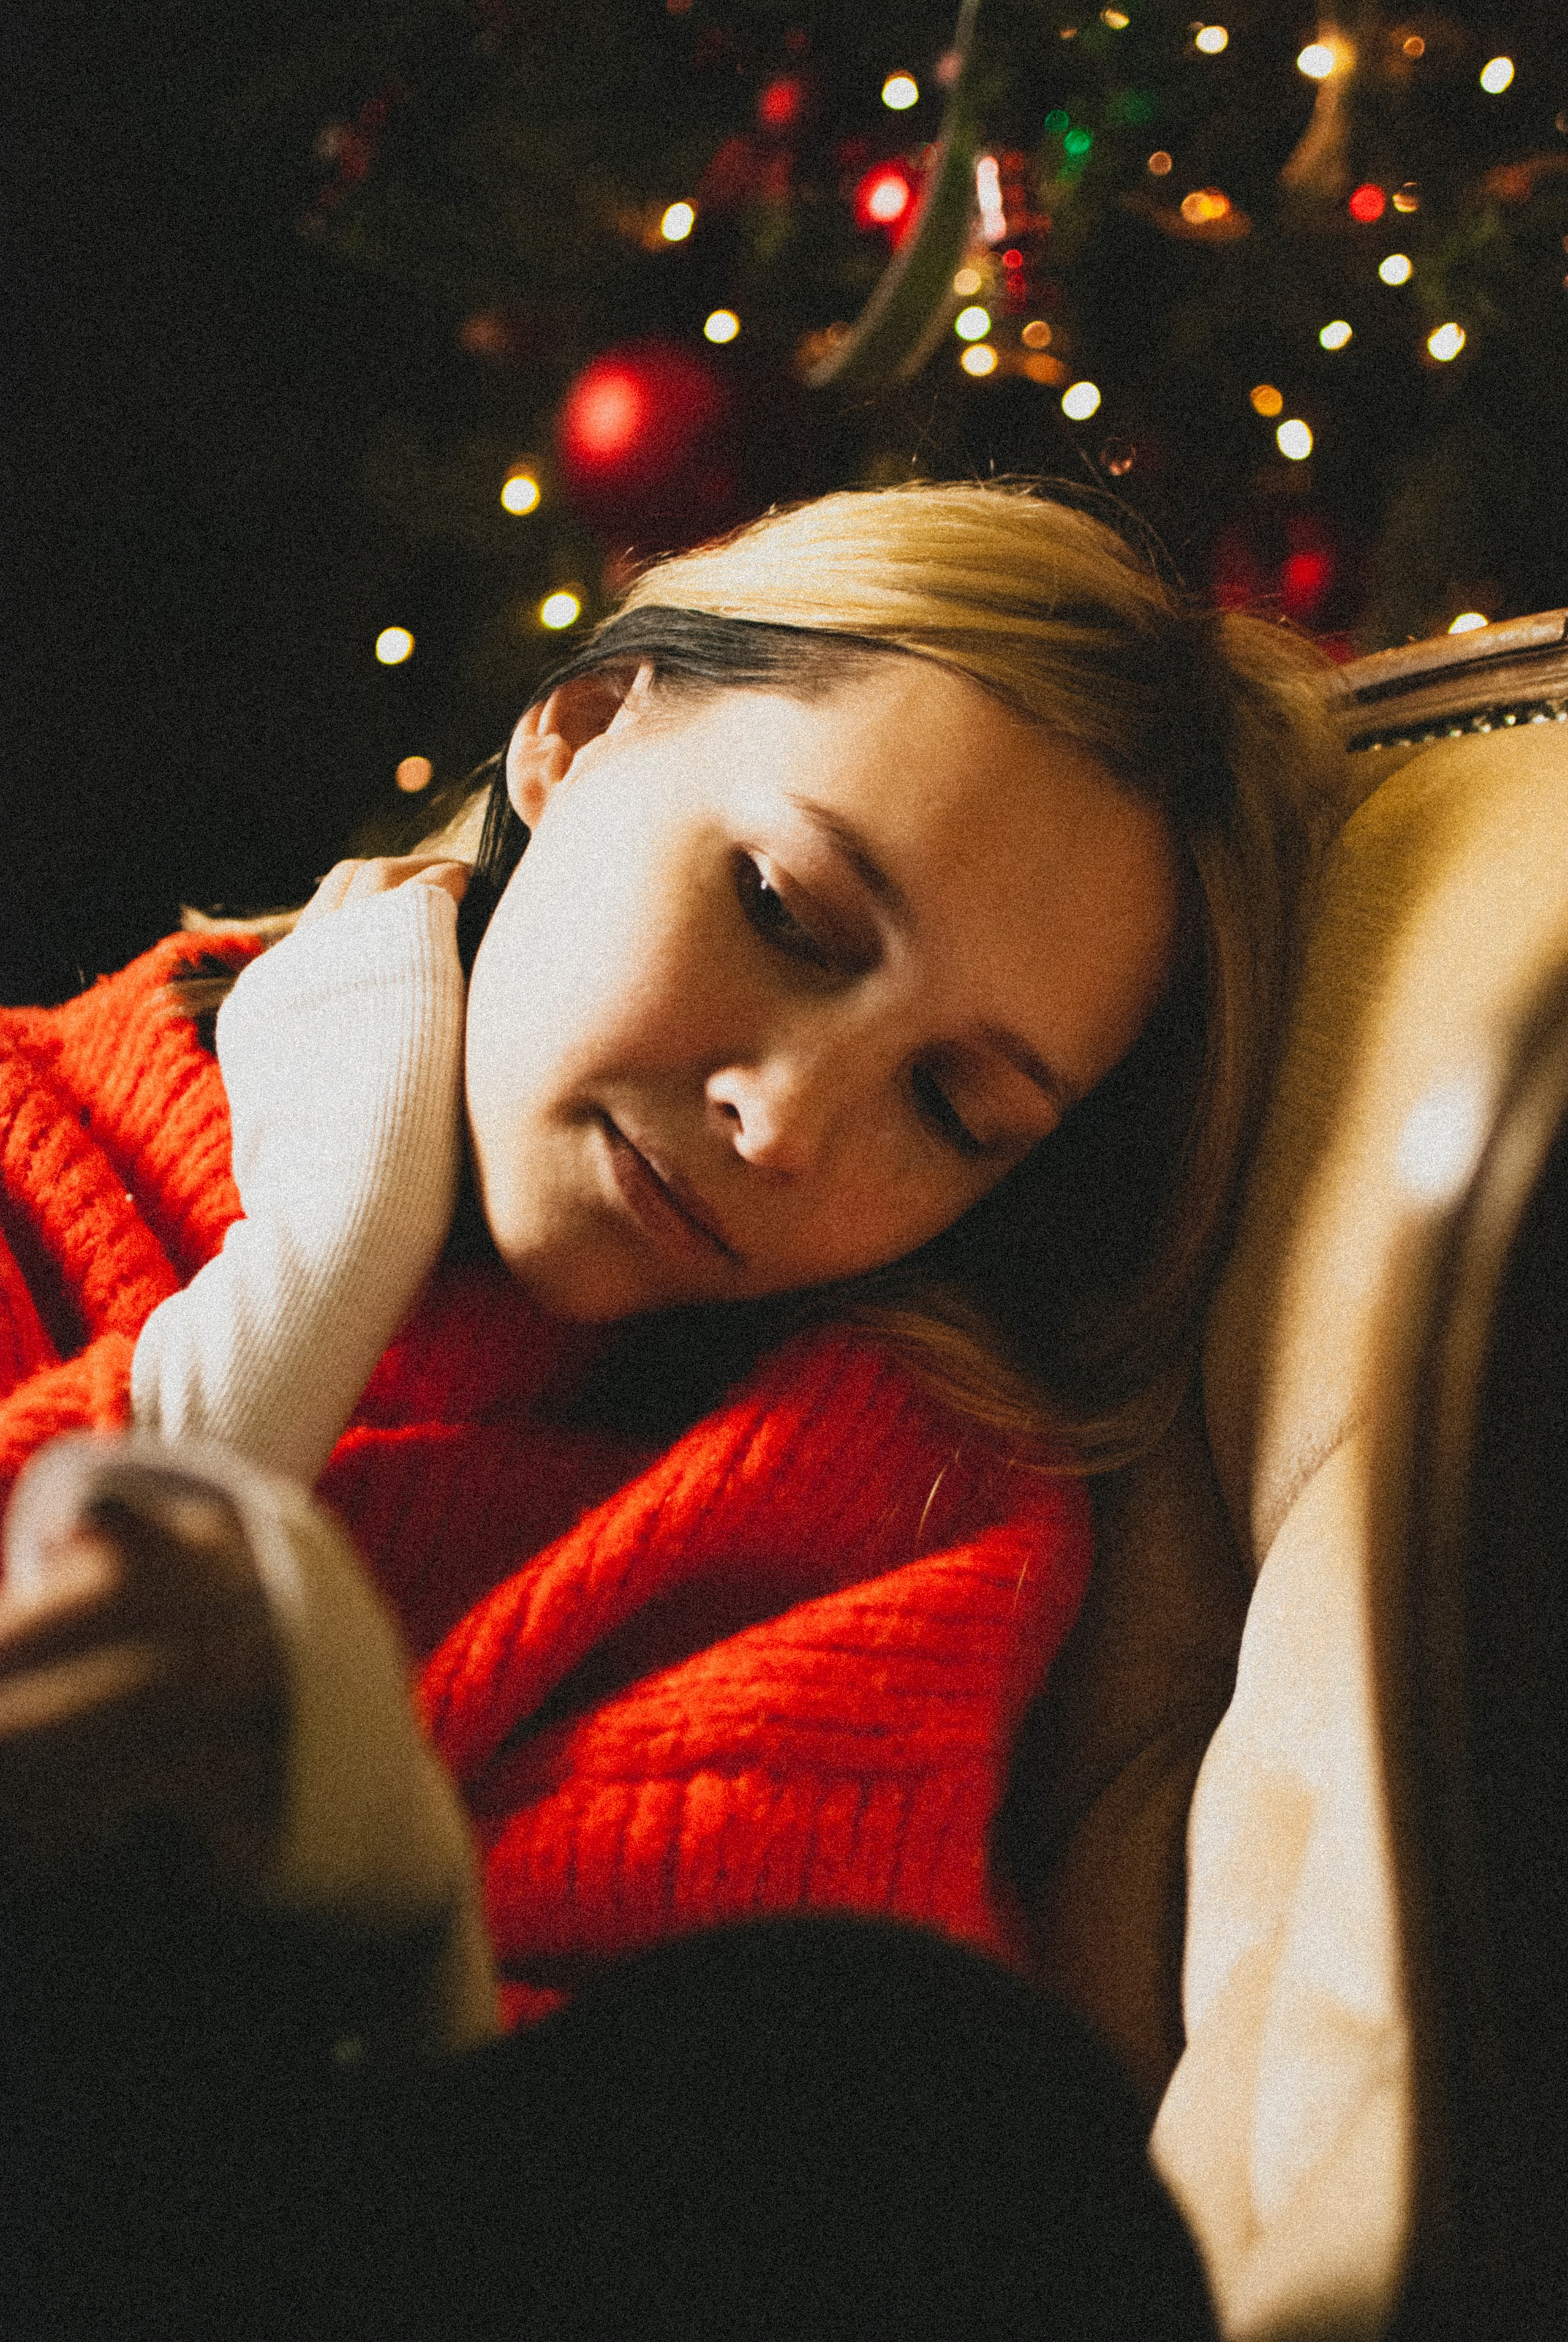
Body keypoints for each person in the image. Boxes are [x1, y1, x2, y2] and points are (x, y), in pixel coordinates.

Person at [0, 481, 1341, 2334]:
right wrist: (315, 1286)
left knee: (930, 2099)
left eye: (958, 1114)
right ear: (577, 729)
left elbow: (639, 2179)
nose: (787, 1127)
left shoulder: (897, 1493)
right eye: (789, 913)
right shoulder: (26, 1138)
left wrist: (350, 1828)